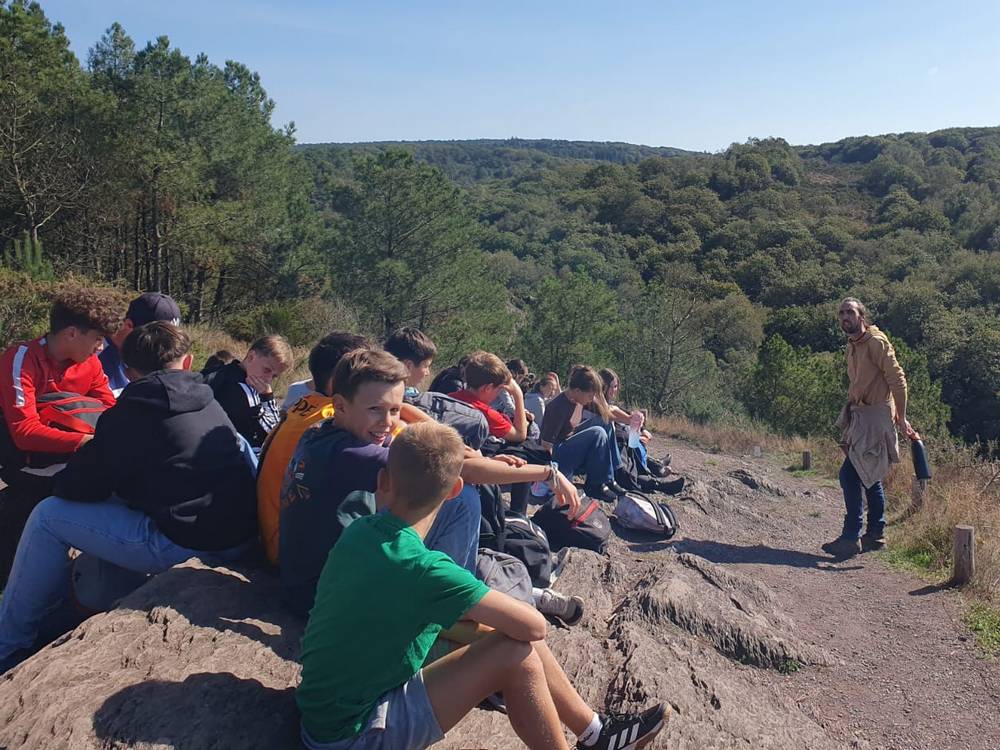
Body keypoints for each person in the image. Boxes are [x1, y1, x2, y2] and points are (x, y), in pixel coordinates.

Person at [296, 420, 669, 750]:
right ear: (455, 490)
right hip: (355, 734)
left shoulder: (361, 530)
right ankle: (592, 735)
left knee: (500, 634)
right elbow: (534, 626)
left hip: (323, 713)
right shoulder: (426, 568)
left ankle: (595, 732)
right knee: (516, 653)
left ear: (382, 481)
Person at [0, 322, 256, 673]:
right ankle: (90, 601)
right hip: (238, 537)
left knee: (48, 516)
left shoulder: (132, 412)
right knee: (114, 504)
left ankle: (7, 645)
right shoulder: (208, 400)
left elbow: (79, 487)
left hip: (189, 545)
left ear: (129, 371)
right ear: (187, 361)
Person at [279, 348, 580, 616]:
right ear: (341, 406)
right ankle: (455, 601)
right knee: (460, 496)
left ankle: (488, 590)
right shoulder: (355, 455)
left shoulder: (324, 431)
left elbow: (411, 434)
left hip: (309, 579)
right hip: (324, 597)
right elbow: (462, 471)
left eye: (394, 409)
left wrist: (477, 455)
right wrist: (548, 473)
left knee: (427, 494)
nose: (387, 421)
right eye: (375, 409)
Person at [257, 332, 369, 565]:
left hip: (271, 537)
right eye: (368, 376)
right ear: (337, 380)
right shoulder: (333, 418)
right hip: (288, 552)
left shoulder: (304, 406)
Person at [0, 284, 121, 496]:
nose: (101, 347)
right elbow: (24, 432)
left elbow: (112, 412)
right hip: (25, 466)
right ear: (72, 333)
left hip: (74, 462)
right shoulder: (21, 359)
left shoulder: (90, 363)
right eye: (98, 339)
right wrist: (87, 442)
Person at [822, 298, 915, 558]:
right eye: (841, 313)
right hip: (862, 416)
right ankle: (875, 535)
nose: (845, 317)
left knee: (849, 475)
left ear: (861, 316)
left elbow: (898, 380)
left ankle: (851, 537)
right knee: (869, 475)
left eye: (850, 312)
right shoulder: (853, 344)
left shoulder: (875, 341)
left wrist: (901, 417)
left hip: (875, 418)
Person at [539, 365, 627, 503]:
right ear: (578, 390)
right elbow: (545, 446)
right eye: (590, 395)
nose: (592, 399)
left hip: (567, 443)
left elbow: (607, 413)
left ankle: (610, 476)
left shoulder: (579, 398)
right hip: (557, 454)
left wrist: (630, 419)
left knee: (604, 423)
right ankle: (596, 484)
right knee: (598, 433)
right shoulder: (557, 408)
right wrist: (552, 478)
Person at [205, 334, 294, 449]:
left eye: (274, 376)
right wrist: (268, 397)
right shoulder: (247, 391)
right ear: (251, 357)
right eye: (267, 370)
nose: (268, 379)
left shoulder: (215, 373)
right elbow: (275, 434)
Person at [99, 292, 181, 395]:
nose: (161, 349)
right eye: (153, 340)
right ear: (128, 325)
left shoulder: (155, 361)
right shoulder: (93, 353)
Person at [449, 351, 529, 444]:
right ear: (488, 388)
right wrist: (518, 394)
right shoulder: (486, 414)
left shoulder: (449, 397)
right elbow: (520, 435)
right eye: (500, 389)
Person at [383, 326, 437, 399]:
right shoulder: (403, 400)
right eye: (426, 366)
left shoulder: (372, 390)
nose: (427, 373)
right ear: (408, 366)